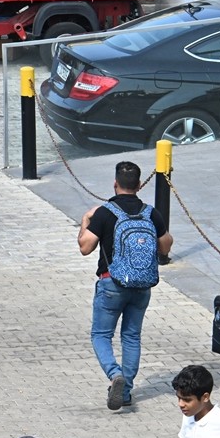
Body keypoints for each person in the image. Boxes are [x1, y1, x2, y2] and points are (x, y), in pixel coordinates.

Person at [78, 160, 173, 410]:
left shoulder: (105, 213)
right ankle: (126, 391)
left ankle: (114, 374)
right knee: (131, 337)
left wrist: (86, 220)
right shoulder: (151, 213)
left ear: (115, 184)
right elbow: (165, 246)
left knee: (101, 335)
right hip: (142, 286)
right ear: (139, 185)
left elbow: (85, 247)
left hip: (111, 283)